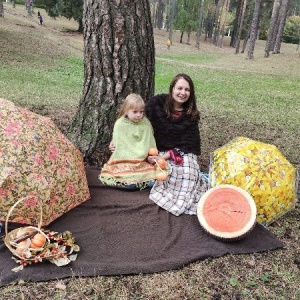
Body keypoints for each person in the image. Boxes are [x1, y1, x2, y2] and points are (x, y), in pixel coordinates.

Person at [145, 73, 208, 216]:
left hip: (180, 152)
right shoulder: (156, 104)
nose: (182, 93)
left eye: (187, 90)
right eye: (179, 88)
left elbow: (189, 144)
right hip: (158, 149)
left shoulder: (191, 114)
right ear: (172, 88)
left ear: (190, 93)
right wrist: (118, 140)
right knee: (164, 175)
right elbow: (137, 121)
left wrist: (165, 157)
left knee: (187, 173)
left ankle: (185, 199)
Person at [99, 93, 158, 189]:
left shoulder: (145, 123)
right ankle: (131, 182)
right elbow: (119, 142)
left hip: (142, 161)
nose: (139, 115)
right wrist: (114, 145)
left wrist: (150, 155)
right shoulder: (120, 124)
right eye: (135, 112)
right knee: (130, 182)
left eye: (141, 112)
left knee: (152, 178)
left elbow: (149, 141)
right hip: (125, 161)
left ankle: (144, 181)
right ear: (126, 111)